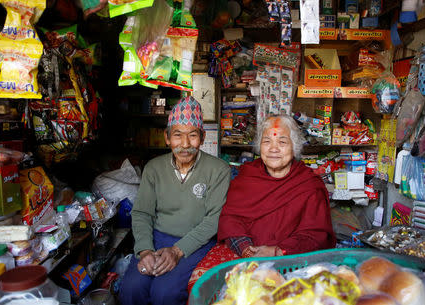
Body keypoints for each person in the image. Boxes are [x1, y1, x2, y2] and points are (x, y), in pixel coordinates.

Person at [188, 115, 336, 291]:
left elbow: (316, 235)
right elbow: (230, 219)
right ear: (259, 146)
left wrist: (278, 251)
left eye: (282, 142)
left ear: (294, 148)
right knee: (203, 283)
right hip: (245, 253)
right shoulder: (247, 176)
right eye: (267, 141)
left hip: (292, 258)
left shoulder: (309, 185)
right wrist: (246, 250)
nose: (273, 149)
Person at [120, 96, 231, 305]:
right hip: (156, 239)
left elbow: (213, 220)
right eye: (178, 135)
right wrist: (145, 250)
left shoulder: (219, 170)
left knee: (165, 293)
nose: (185, 144)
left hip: (195, 242)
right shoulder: (153, 168)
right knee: (131, 289)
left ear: (203, 137)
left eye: (193, 135)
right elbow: (142, 213)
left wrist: (177, 251)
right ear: (167, 137)